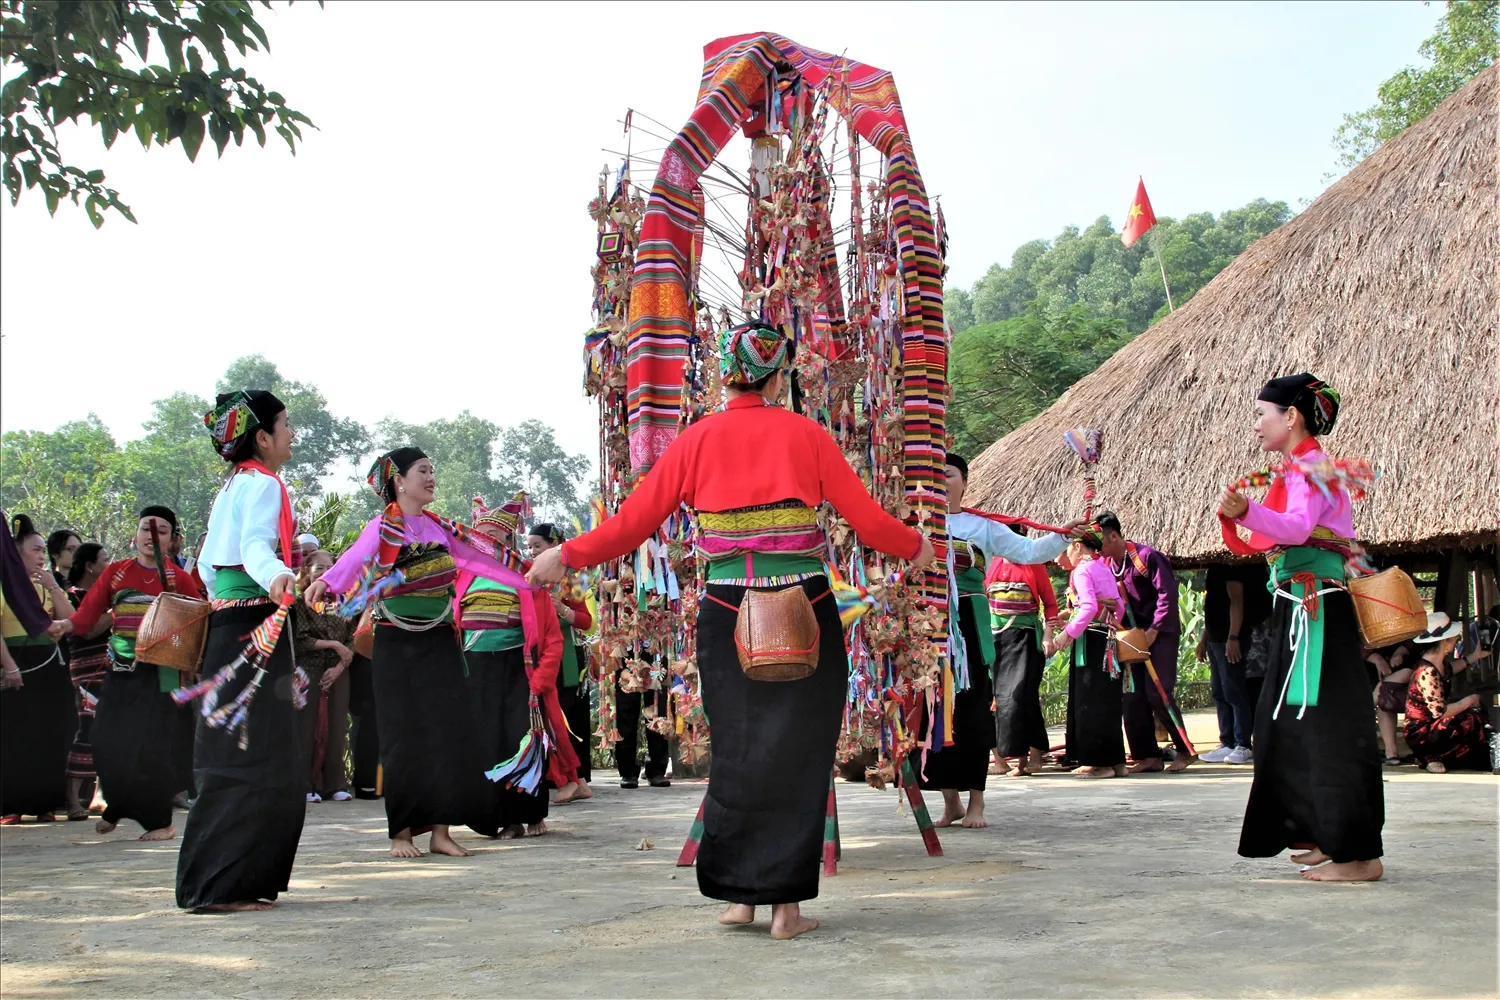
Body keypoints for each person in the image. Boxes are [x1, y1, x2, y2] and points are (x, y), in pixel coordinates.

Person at [528, 322, 936, 941]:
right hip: (805, 607)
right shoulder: (807, 435)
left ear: (727, 373)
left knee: (739, 752)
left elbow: (633, 524)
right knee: (798, 756)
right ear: (778, 376)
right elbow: (871, 524)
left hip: (726, 612)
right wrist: (918, 546)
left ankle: (739, 898)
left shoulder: (695, 441)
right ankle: (785, 912)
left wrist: (568, 556)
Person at [308, 449, 546, 859]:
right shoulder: (384, 527)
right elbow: (353, 561)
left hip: (439, 640)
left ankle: (441, 831)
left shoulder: (441, 528)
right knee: (402, 736)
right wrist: (326, 584)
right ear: (399, 480)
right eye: (423, 471)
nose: (431, 477)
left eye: (433, 470)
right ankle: (401, 833)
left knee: (447, 734)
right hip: (396, 642)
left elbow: (483, 559)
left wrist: (530, 579)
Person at [1220, 372, 1384, 882]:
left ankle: (1358, 855)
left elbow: (1291, 529)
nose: (1256, 426)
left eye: (1261, 415)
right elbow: (1285, 531)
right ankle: (1319, 832)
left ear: (1289, 416)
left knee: (1330, 727)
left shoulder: (1312, 465)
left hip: (1319, 608)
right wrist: (1249, 516)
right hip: (1299, 606)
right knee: (1286, 725)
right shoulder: (1298, 468)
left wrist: (1247, 510)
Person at [176, 389, 305, 912]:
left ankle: (231, 881)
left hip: (231, 626)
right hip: (254, 624)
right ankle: (221, 887)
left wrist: (233, 595)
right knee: (257, 753)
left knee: (237, 752)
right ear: (262, 437)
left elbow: (208, 565)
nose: (292, 434)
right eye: (287, 425)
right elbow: (254, 546)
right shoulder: (265, 485)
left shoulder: (233, 486)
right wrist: (278, 578)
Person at [919, 453, 1073, 827]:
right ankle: (950, 801)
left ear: (965, 482)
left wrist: (1062, 535)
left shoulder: (981, 526)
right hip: (927, 625)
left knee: (971, 710)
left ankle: (976, 804)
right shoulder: (916, 524)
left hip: (969, 625)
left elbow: (1030, 551)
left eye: (949, 473)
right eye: (934, 474)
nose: (941, 479)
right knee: (933, 710)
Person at [57, 508, 205, 840]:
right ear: (134, 536)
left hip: (162, 673)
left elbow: (196, 625)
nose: (153, 536)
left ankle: (159, 821)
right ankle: (118, 805)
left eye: (162, 531)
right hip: (121, 669)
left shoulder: (179, 579)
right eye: (146, 529)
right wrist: (64, 625)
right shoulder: (116, 573)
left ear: (172, 540)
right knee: (104, 740)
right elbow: (87, 616)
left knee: (153, 746)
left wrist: (185, 666)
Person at [456, 494, 578, 839]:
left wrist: (540, 679)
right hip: (475, 670)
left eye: (495, 537)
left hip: (517, 668)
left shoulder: (529, 577)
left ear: (508, 540)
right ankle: (499, 818)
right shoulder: (462, 577)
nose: (487, 544)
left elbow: (552, 639)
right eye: (482, 537)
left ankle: (530, 813)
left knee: (520, 738)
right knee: (485, 740)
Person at [1094, 512, 1195, 772]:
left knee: (1157, 691)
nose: (1097, 547)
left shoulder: (1147, 557)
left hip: (1159, 633)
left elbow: (1167, 594)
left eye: (1100, 541)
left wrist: (1153, 630)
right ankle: (1147, 755)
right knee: (1132, 695)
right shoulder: (1105, 565)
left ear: (1113, 536)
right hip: (1130, 635)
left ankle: (1184, 750)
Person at [1, 515, 77, 824]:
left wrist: (53, 588)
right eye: (35, 549)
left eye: (43, 550)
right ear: (15, 550)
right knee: (16, 735)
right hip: (16, 663)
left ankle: (45, 802)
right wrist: (9, 667)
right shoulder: (5, 584)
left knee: (49, 734)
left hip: (48, 667)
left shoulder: (46, 584)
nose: (40, 556)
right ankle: (10, 804)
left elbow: (71, 621)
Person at [1050, 525, 1127, 778]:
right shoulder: (1102, 567)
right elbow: (1119, 607)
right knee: (1108, 700)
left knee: (1090, 700)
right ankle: (1116, 762)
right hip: (1108, 640)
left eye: (1067, 548)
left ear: (1077, 546)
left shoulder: (1082, 570)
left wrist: (1068, 633)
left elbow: (1088, 607)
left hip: (1092, 643)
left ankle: (1099, 763)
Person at [527, 522, 595, 801]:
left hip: (568, 658)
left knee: (567, 718)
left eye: (537, 546)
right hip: (540, 656)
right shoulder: (530, 576)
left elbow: (589, 622)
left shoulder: (576, 579)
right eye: (529, 546)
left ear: (553, 546)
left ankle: (576, 779)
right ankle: (558, 777)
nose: (531, 552)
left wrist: (563, 609)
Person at [987, 524, 1061, 777]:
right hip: (995, 640)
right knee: (996, 698)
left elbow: (1051, 605)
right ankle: (1005, 758)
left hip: (1025, 639)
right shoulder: (991, 563)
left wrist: (1048, 637)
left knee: (1020, 696)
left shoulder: (1034, 565)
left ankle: (1030, 757)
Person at [292, 550, 355, 803]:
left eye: (330, 567)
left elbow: (352, 637)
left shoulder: (345, 602)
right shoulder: (299, 603)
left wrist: (340, 664)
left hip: (339, 670)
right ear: (307, 572)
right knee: (306, 727)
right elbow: (300, 640)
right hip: (308, 669)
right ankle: (306, 784)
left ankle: (334, 784)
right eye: (319, 568)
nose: (325, 572)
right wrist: (333, 645)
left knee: (337, 726)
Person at [1196, 562, 1271, 765]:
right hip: (1214, 639)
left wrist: (1234, 637)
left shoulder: (1232, 567)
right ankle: (1227, 741)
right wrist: (1204, 641)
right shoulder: (1214, 569)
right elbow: (1210, 608)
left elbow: (1237, 602)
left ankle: (1243, 744)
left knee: (1234, 691)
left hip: (1229, 638)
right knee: (1219, 692)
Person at [1404, 613, 1492, 773]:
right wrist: (1469, 701)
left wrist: (1475, 656)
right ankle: (1430, 756)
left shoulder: (1436, 662)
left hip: (1431, 725)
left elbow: (1451, 669)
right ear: (1445, 641)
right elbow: (1440, 712)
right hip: (1422, 732)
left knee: (1473, 716)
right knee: (1469, 719)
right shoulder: (1428, 671)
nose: (1456, 640)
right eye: (1454, 637)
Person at [64, 542, 110, 820]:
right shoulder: (72, 597)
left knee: (108, 732)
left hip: (110, 670)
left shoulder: (104, 597)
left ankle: (100, 795)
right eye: (104, 560)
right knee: (87, 730)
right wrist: (118, 612)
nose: (109, 564)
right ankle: (72, 798)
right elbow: (88, 630)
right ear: (90, 565)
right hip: (86, 671)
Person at [614, 652, 670, 789]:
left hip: (654, 647)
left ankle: (657, 769)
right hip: (626, 647)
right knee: (626, 711)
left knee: (657, 711)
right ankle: (627, 772)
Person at [1367, 641, 1417, 766]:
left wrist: (1400, 652)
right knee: (1384, 700)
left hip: (1407, 663)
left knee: (1383, 695)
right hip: (1373, 661)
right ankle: (1391, 752)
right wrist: (1376, 659)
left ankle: (1392, 752)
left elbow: (1416, 639)